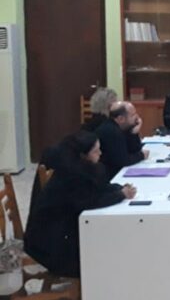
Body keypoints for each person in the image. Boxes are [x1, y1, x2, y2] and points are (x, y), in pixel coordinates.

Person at [23, 131, 136, 278]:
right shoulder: (72, 176)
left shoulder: (78, 168)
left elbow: (98, 188)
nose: (100, 153)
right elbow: (90, 201)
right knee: (105, 257)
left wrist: (118, 189)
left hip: (62, 232)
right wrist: (120, 195)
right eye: (96, 151)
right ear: (83, 155)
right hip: (51, 245)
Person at [95, 101, 149, 180]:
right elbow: (123, 161)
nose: (137, 117)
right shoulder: (111, 131)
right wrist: (142, 155)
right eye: (133, 115)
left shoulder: (122, 128)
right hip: (109, 177)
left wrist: (134, 133)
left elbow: (134, 150)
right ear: (121, 119)